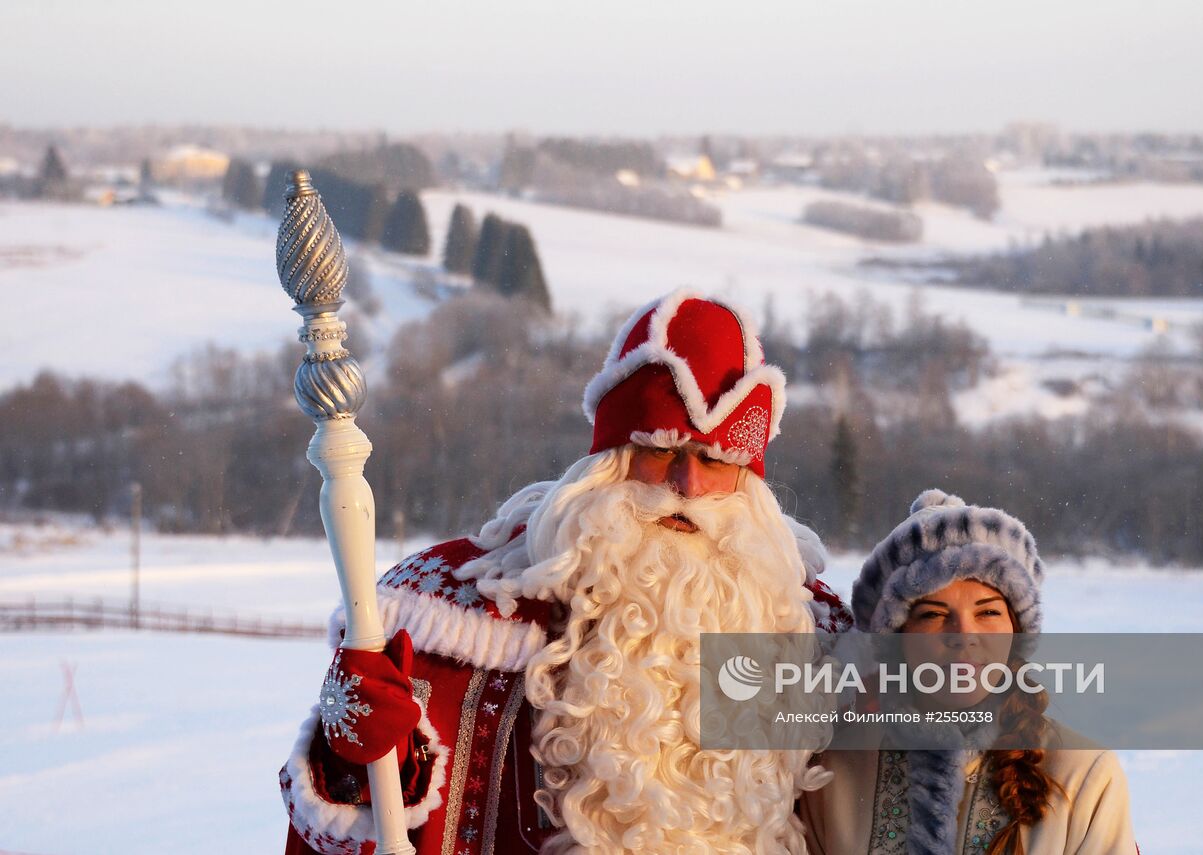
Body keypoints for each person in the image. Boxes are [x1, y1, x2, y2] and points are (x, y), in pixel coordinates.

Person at [280, 289, 853, 855]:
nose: (689, 487)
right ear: (608, 463)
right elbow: (361, 807)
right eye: (661, 451)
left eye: (716, 460)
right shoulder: (457, 612)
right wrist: (355, 752)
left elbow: (897, 798)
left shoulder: (809, 629)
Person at [799, 490, 1137, 855]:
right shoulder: (832, 769)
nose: (963, 637)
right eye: (932, 614)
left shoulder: (1084, 772)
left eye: (988, 612)